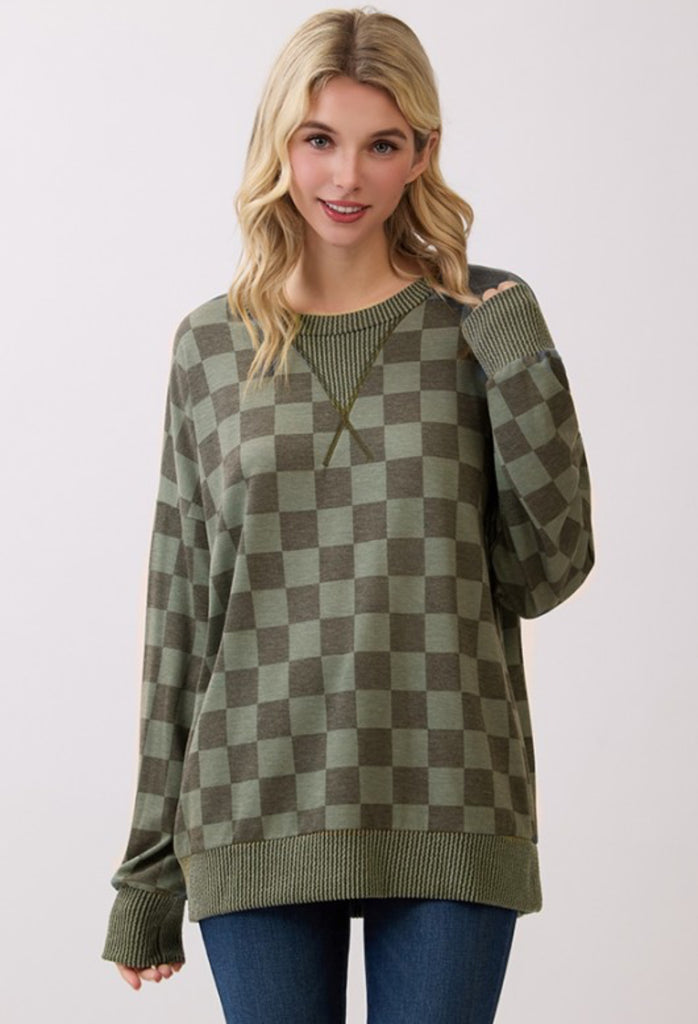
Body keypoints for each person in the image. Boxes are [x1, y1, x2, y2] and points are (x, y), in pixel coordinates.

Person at [101, 6, 595, 1022]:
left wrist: (519, 359)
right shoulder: (210, 347)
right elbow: (181, 617)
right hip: (251, 803)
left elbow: (546, 570)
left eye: (382, 145)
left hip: (452, 796)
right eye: (319, 138)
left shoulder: (483, 323)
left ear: (422, 154)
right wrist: (146, 871)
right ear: (278, 141)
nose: (346, 176)